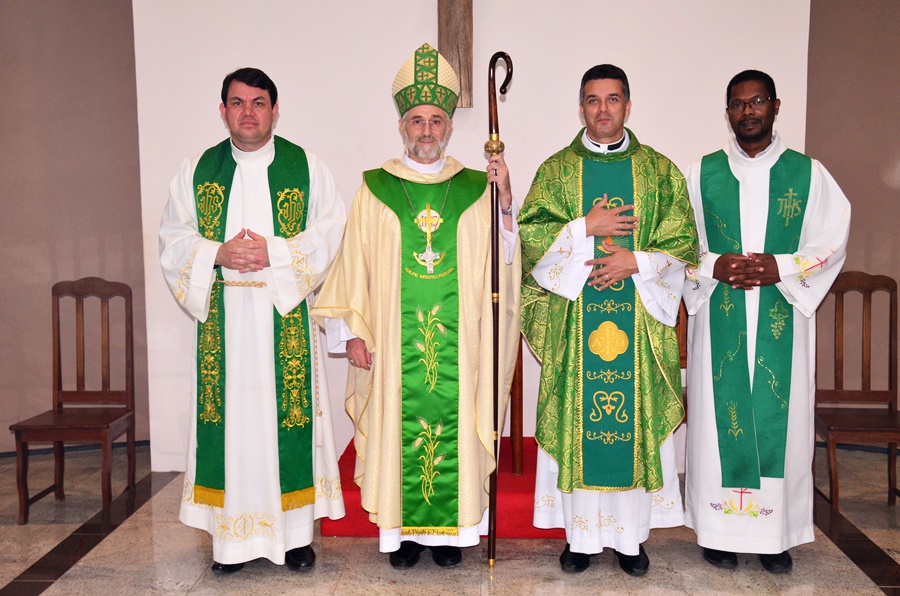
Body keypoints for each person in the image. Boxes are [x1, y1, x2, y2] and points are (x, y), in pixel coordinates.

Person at [310, 43, 521, 570]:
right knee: (394, 428)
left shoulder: (477, 188)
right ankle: (403, 537)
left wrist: (507, 206)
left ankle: (450, 537)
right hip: (391, 349)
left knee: (456, 423)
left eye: (436, 120)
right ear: (401, 126)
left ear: (450, 126)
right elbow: (353, 265)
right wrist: (353, 334)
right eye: (416, 120)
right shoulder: (374, 190)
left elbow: (503, 262)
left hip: (461, 346)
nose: (426, 130)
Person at [159, 67, 346, 574]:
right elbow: (173, 238)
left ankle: (295, 536)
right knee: (235, 428)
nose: (248, 113)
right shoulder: (198, 170)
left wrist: (273, 253)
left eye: (259, 103)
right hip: (225, 323)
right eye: (237, 103)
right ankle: (230, 542)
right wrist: (218, 253)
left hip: (280, 314)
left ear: (274, 110)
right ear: (222, 111)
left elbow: (329, 231)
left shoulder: (305, 167)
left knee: (286, 422)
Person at [519, 64, 698, 576]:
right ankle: (580, 540)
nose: (603, 109)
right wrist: (583, 227)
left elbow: (683, 242)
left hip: (639, 325)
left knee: (632, 422)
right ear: (581, 107)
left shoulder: (660, 172)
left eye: (612, 99)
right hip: (576, 327)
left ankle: (630, 541)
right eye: (593, 100)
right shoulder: (555, 172)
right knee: (580, 419)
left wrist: (634, 262)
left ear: (628, 105)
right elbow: (533, 241)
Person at [683, 69, 851, 574]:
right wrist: (714, 264)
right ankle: (717, 531)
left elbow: (832, 240)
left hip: (782, 313)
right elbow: (674, 245)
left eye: (758, 102)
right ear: (727, 112)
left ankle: (775, 536)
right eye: (738, 104)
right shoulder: (701, 173)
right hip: (718, 314)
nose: (748, 111)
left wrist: (785, 266)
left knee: (783, 418)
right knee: (717, 422)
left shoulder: (809, 174)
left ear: (776, 107)